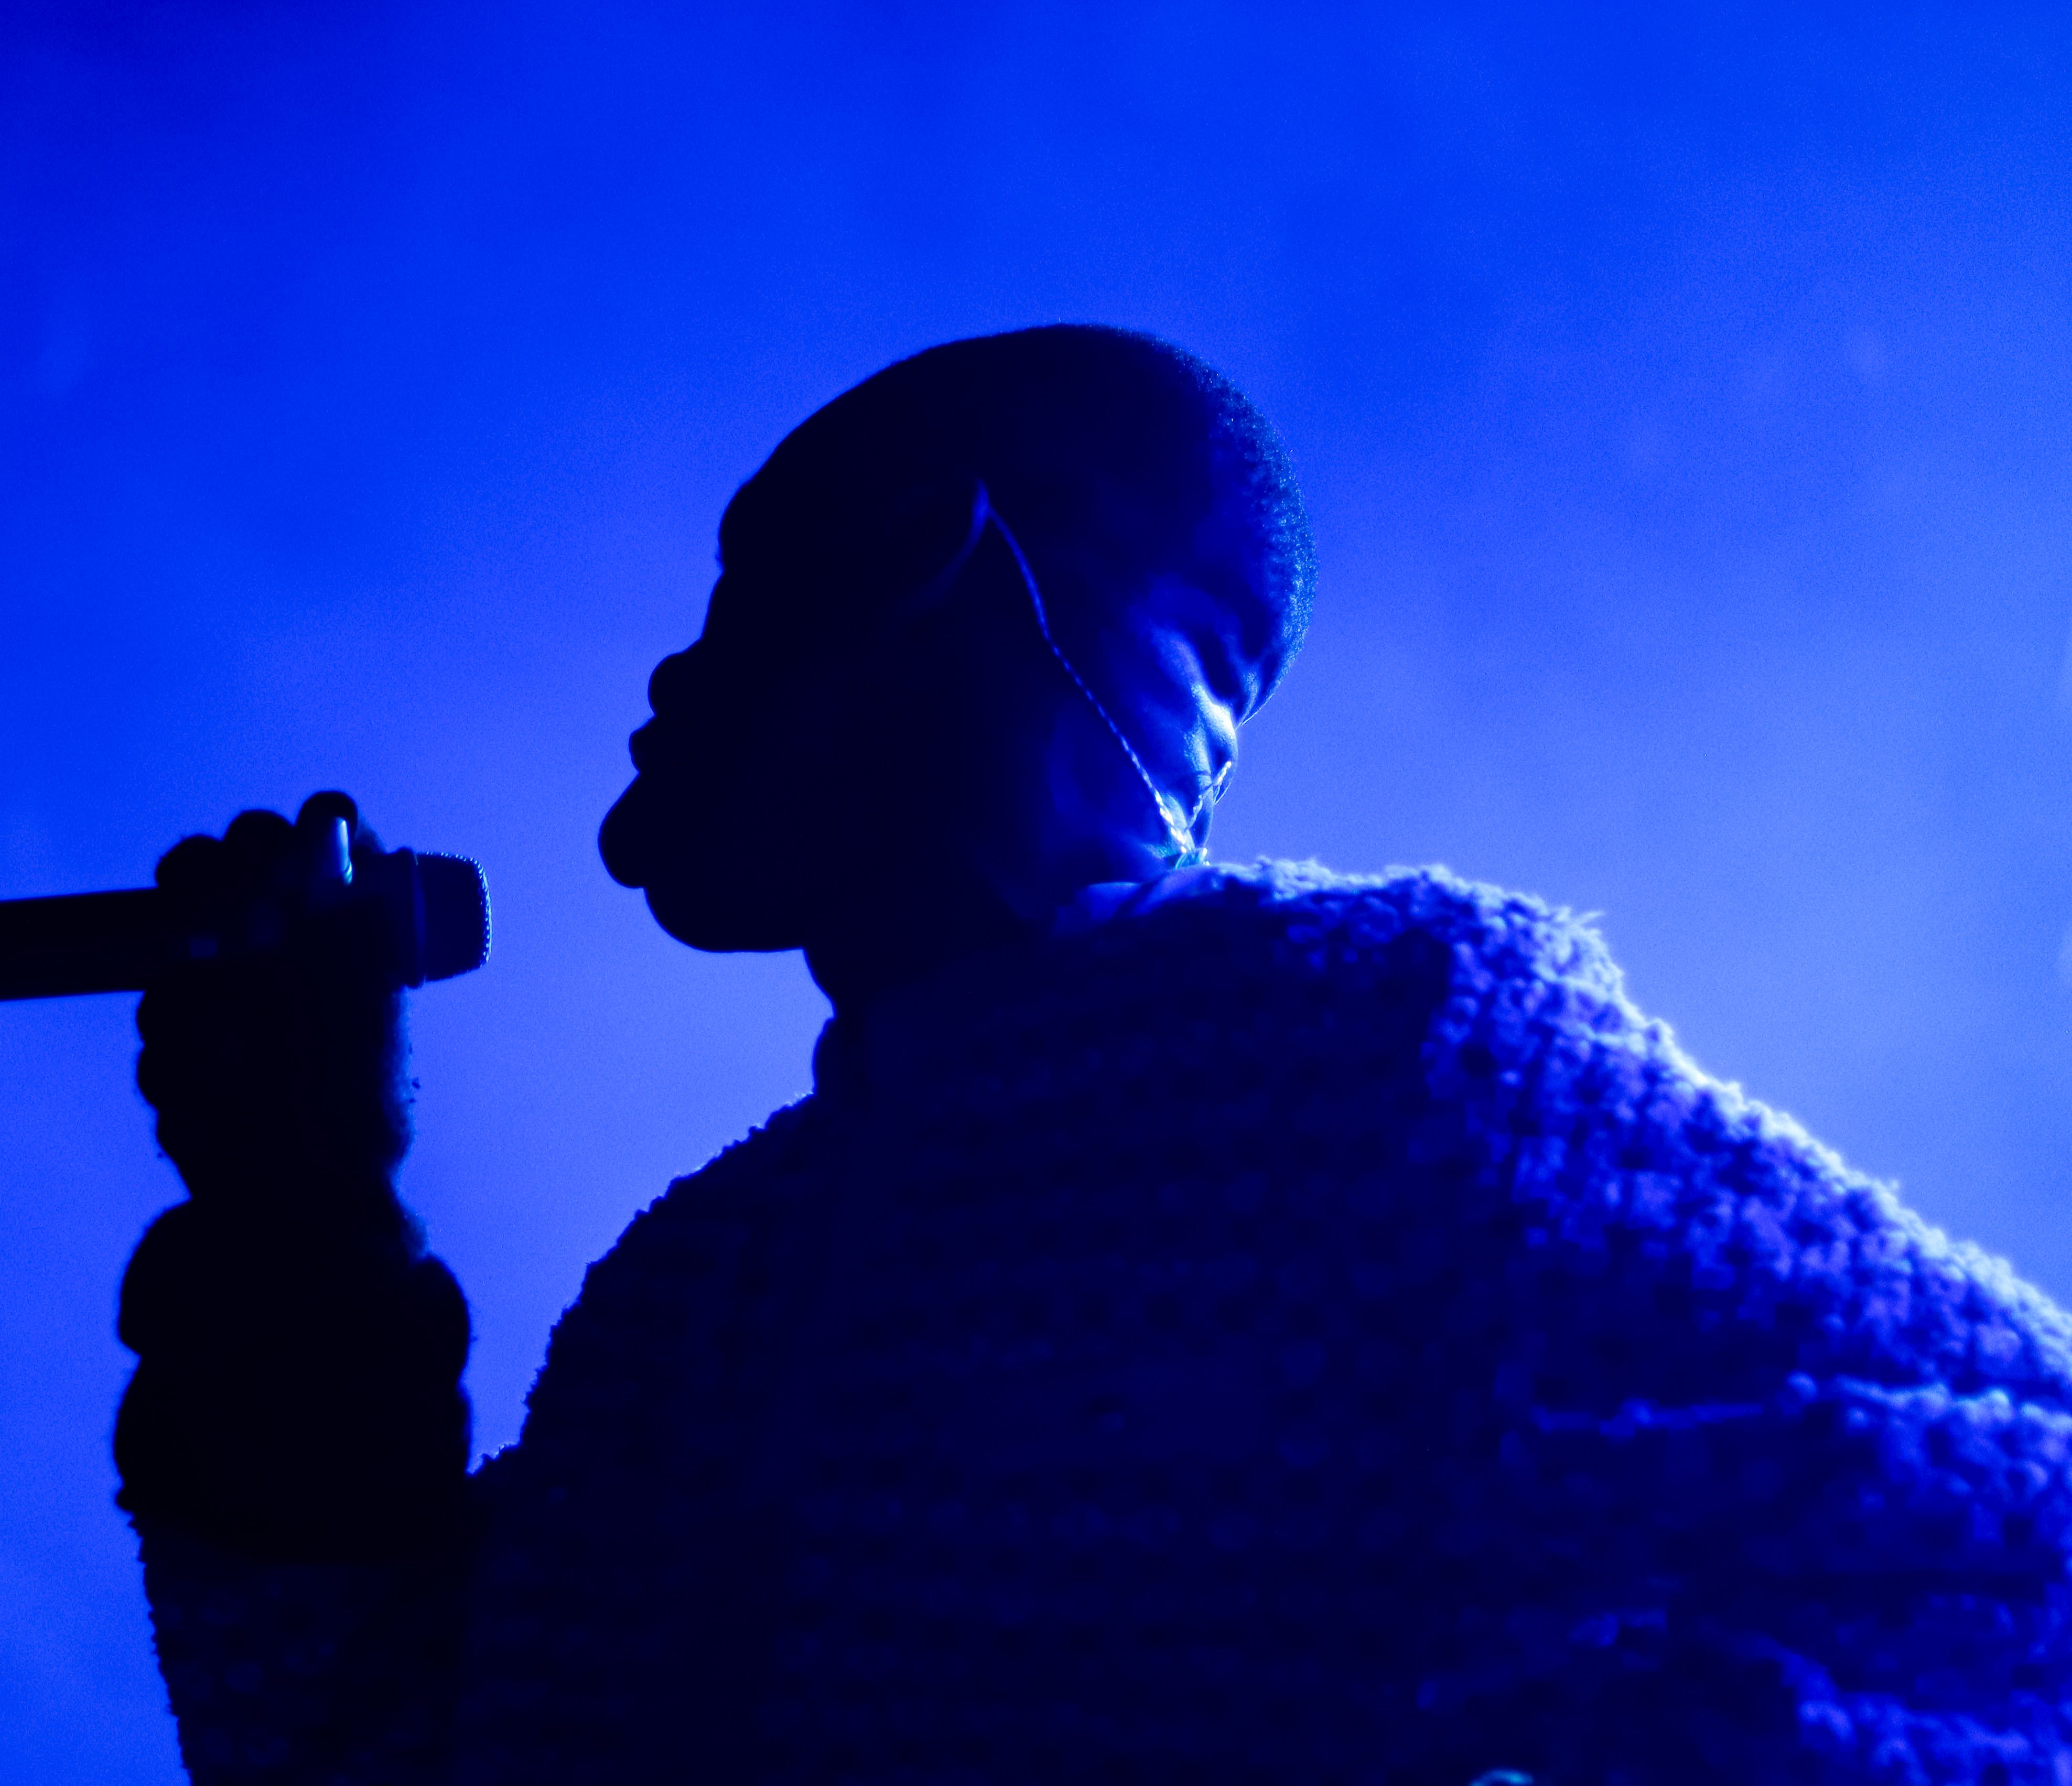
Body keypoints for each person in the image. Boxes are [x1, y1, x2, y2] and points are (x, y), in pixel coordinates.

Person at [115, 326, 2072, 1784]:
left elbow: (2022, 1549)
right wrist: (300, 1225)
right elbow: (380, 1763)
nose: (673, 678)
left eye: (744, 585)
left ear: (913, 553)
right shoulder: (686, 1300)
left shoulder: (1383, 1062)